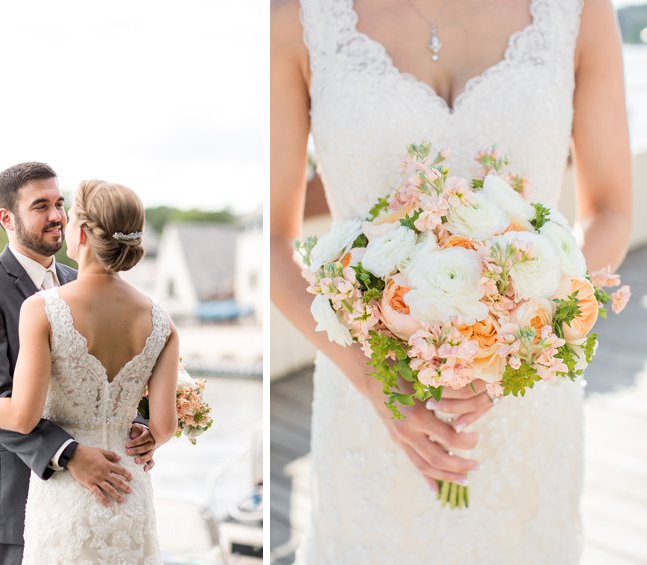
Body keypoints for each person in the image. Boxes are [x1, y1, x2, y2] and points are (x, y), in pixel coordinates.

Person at [271, 0, 632, 563]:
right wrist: (373, 380)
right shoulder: (296, 16)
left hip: (526, 399)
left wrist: (524, 342)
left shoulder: (579, 9)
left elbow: (611, 210)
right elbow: (274, 240)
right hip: (371, 394)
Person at [0, 163, 160, 565]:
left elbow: (111, 379)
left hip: (103, 496)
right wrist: (70, 454)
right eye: (41, 206)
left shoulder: (81, 280)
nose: (57, 216)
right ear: (6, 219)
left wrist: (140, 428)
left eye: (60, 204)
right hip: (13, 500)